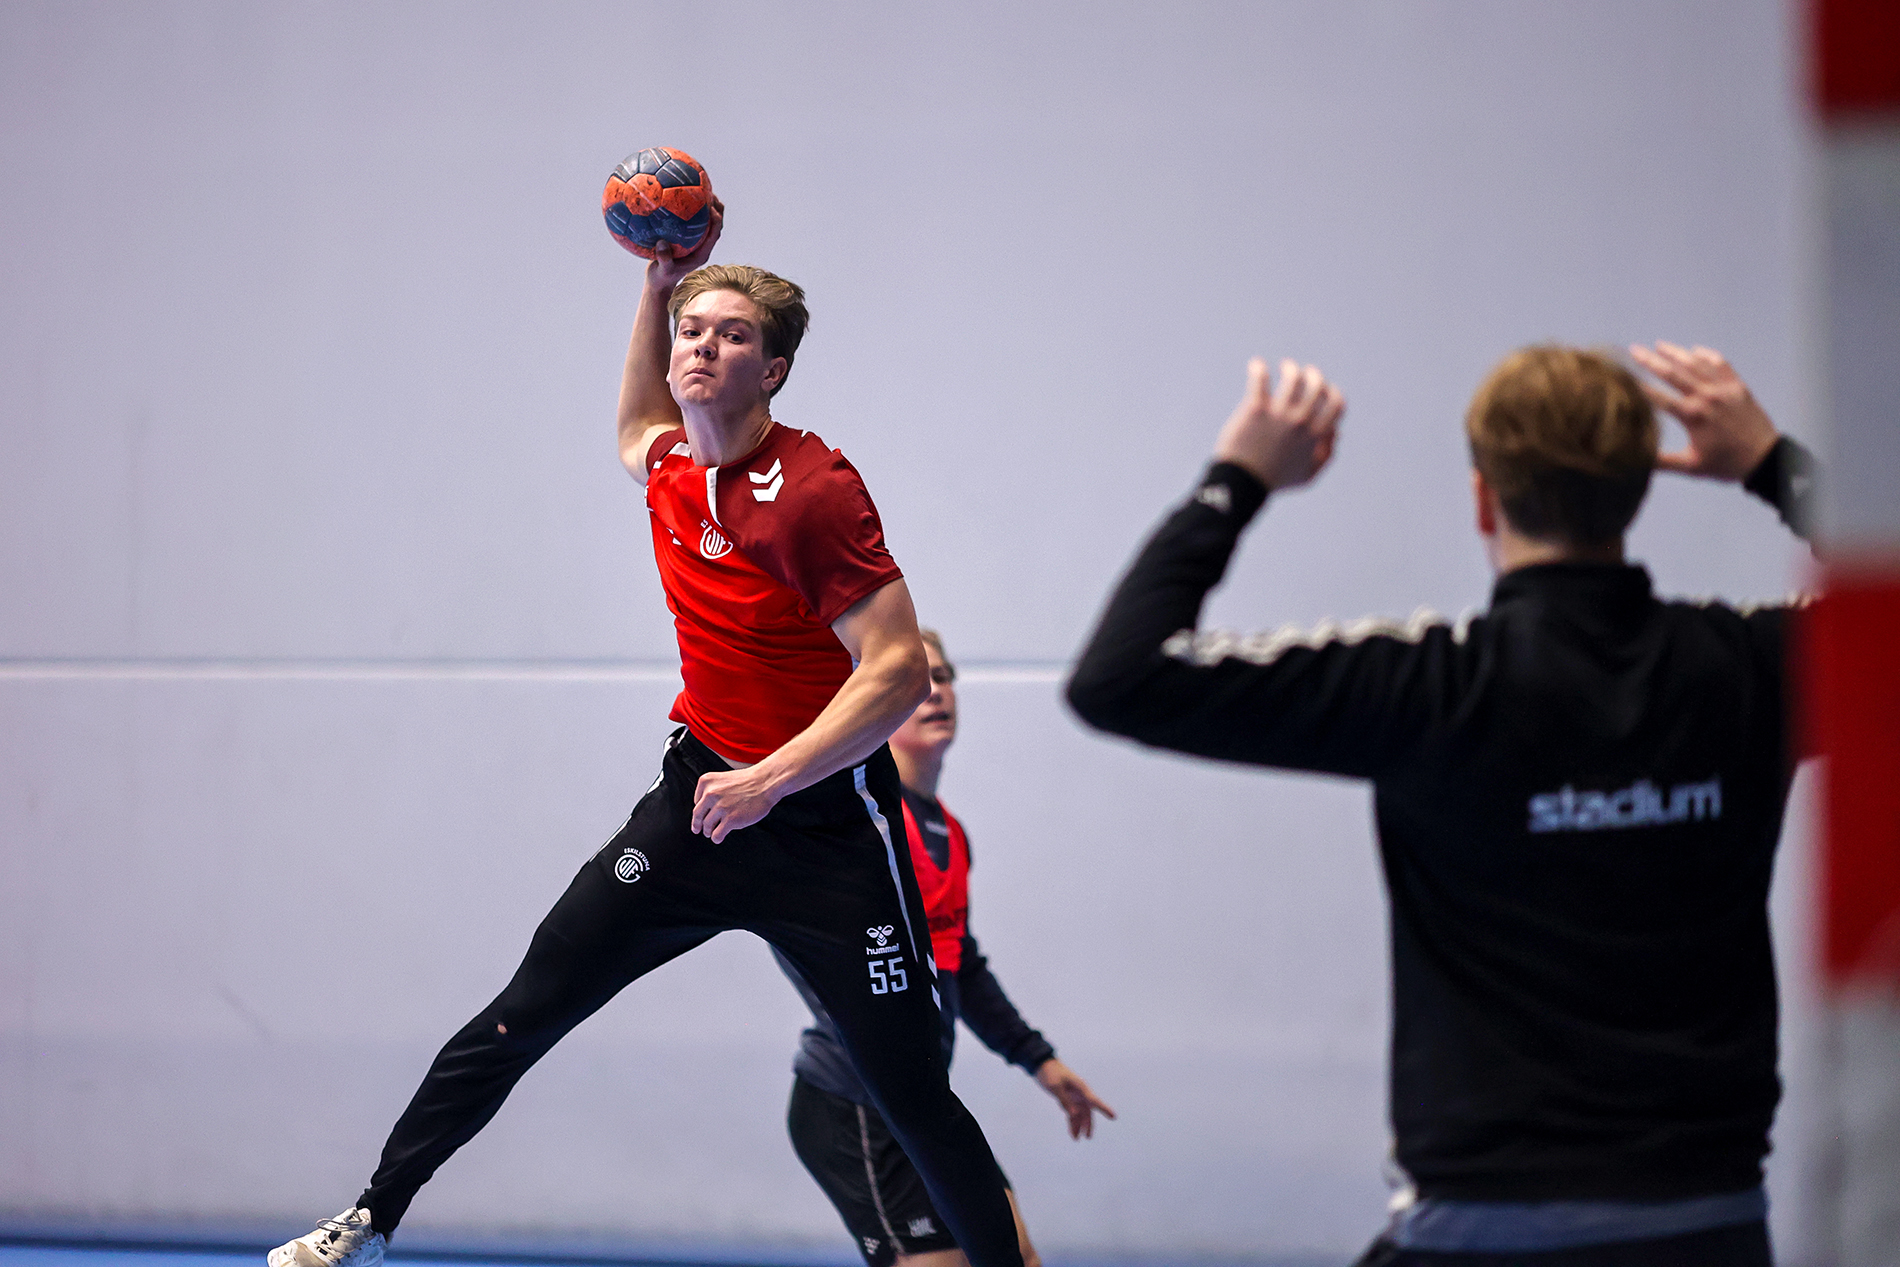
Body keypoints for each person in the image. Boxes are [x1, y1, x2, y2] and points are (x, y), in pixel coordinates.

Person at [269, 203, 1026, 1267]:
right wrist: (654, 286)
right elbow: (632, 428)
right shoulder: (671, 465)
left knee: (910, 1095)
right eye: (691, 332)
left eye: (730, 336)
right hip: (696, 813)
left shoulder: (812, 491)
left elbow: (895, 670)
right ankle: (369, 1215)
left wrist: (771, 777)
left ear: (773, 371)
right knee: (525, 1008)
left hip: (826, 839)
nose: (702, 348)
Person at [1065, 341, 1815, 1266]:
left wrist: (1238, 479)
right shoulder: (1750, 669)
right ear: (1640, 492)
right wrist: (1776, 465)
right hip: (1712, 1228)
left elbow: (1117, 679)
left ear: (1483, 500)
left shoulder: (1429, 683)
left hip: (1479, 1234)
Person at [775, 628, 1115, 1267]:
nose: (934, 691)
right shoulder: (853, 821)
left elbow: (962, 963)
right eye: (915, 678)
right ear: (871, 699)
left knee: (1017, 1258)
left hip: (924, 1105)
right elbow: (797, 936)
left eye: (946, 674)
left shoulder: (947, 831)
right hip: (856, 1109)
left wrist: (1039, 1061)